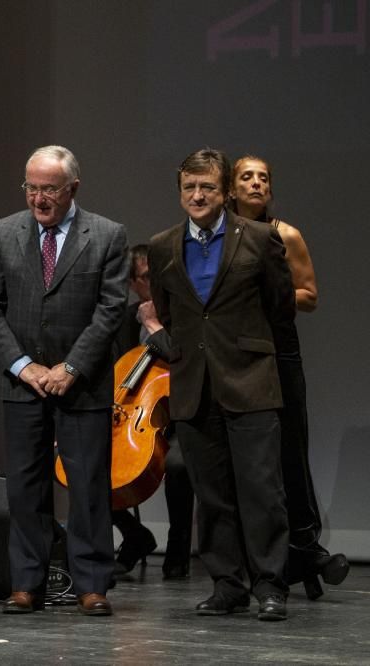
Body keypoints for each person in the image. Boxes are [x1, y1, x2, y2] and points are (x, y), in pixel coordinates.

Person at [0, 145, 127, 616]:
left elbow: (111, 310)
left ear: (73, 189)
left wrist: (70, 367)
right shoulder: (4, 232)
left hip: (81, 384)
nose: (39, 199)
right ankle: (26, 583)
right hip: (24, 383)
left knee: (87, 487)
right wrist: (24, 366)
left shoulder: (106, 235)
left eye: (50, 190)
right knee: (24, 488)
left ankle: (92, 585)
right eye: (32, 188)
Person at [147, 148, 294, 621]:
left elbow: (280, 307)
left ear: (225, 191)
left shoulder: (257, 238)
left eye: (207, 187)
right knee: (211, 495)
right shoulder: (163, 245)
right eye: (189, 187)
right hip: (194, 383)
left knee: (261, 490)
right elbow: (170, 314)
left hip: (250, 378)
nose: (197, 195)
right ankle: (227, 584)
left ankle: (270, 585)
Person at [229, 155, 348, 599]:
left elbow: (310, 296)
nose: (257, 183)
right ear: (230, 189)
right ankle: (257, 555)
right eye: (247, 177)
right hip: (235, 354)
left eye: (264, 178)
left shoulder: (286, 234)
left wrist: (264, 297)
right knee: (249, 460)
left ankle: (306, 544)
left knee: (290, 450)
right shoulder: (220, 237)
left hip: (279, 353)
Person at [110, 245, 195, 580]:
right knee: (88, 460)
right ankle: (134, 536)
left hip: (184, 418)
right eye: (147, 277)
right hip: (136, 418)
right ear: (133, 283)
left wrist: (154, 324)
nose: (156, 283)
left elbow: (183, 360)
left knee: (178, 464)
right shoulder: (122, 320)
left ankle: (178, 552)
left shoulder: (185, 316)